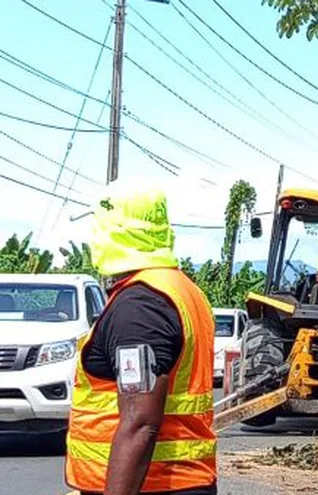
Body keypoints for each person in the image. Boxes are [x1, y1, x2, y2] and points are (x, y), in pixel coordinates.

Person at [65, 183, 217, 495]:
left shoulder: (141, 306)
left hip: (154, 486)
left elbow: (140, 425)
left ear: (113, 231)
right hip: (178, 483)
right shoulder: (179, 288)